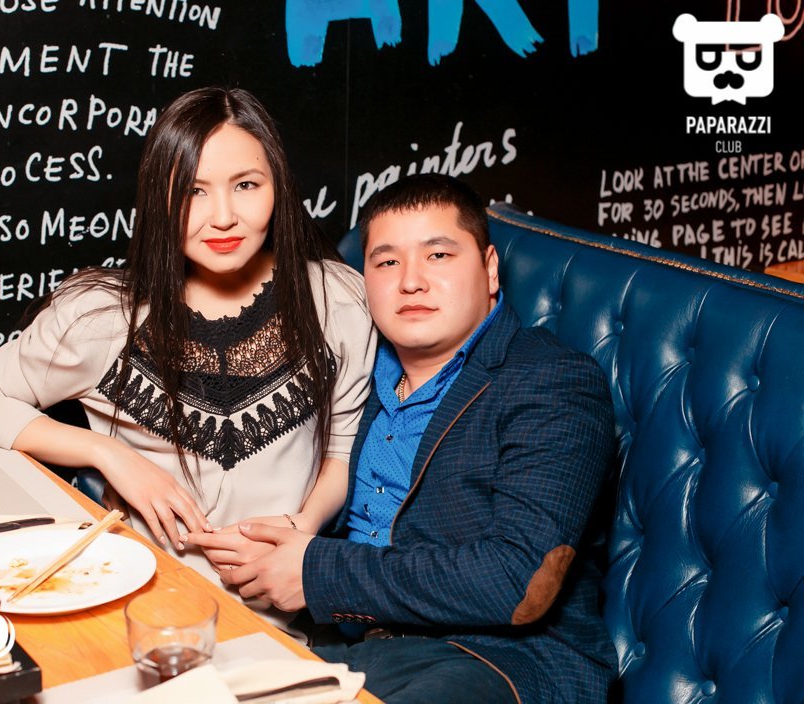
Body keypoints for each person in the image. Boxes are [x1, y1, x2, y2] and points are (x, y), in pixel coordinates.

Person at [0, 87, 375, 623]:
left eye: (246, 185)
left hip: (282, 614)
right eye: (193, 191)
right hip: (135, 603)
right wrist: (108, 454)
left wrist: (302, 531)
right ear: (159, 198)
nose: (223, 217)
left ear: (277, 187)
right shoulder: (102, 318)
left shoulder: (337, 300)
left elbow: (343, 447)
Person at [188, 174, 617, 703]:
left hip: (497, 660)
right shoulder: (353, 371)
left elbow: (517, 581)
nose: (411, 281)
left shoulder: (553, 380)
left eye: (438, 255)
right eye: (387, 262)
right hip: (352, 649)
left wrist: (315, 572)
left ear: (489, 269)